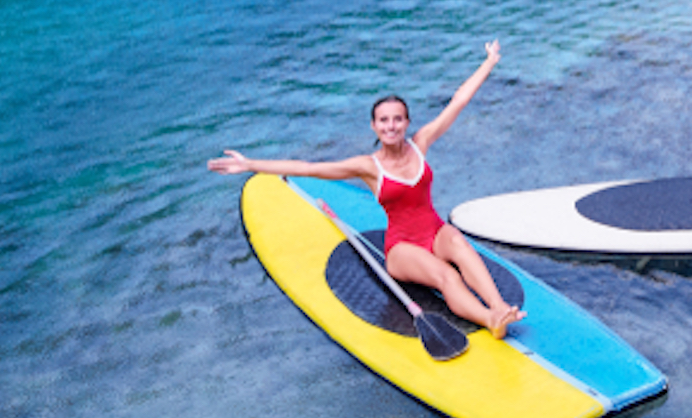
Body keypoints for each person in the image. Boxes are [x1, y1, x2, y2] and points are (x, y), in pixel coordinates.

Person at [210, 42, 525, 337]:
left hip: (435, 232)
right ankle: (489, 321)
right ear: (374, 126)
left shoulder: (421, 143)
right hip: (402, 249)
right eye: (384, 121)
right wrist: (251, 164)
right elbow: (308, 168)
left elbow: (459, 101)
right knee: (448, 277)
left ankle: (498, 306)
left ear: (406, 122)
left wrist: (490, 62)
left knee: (458, 243)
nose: (391, 126)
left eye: (397, 119)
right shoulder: (368, 167)